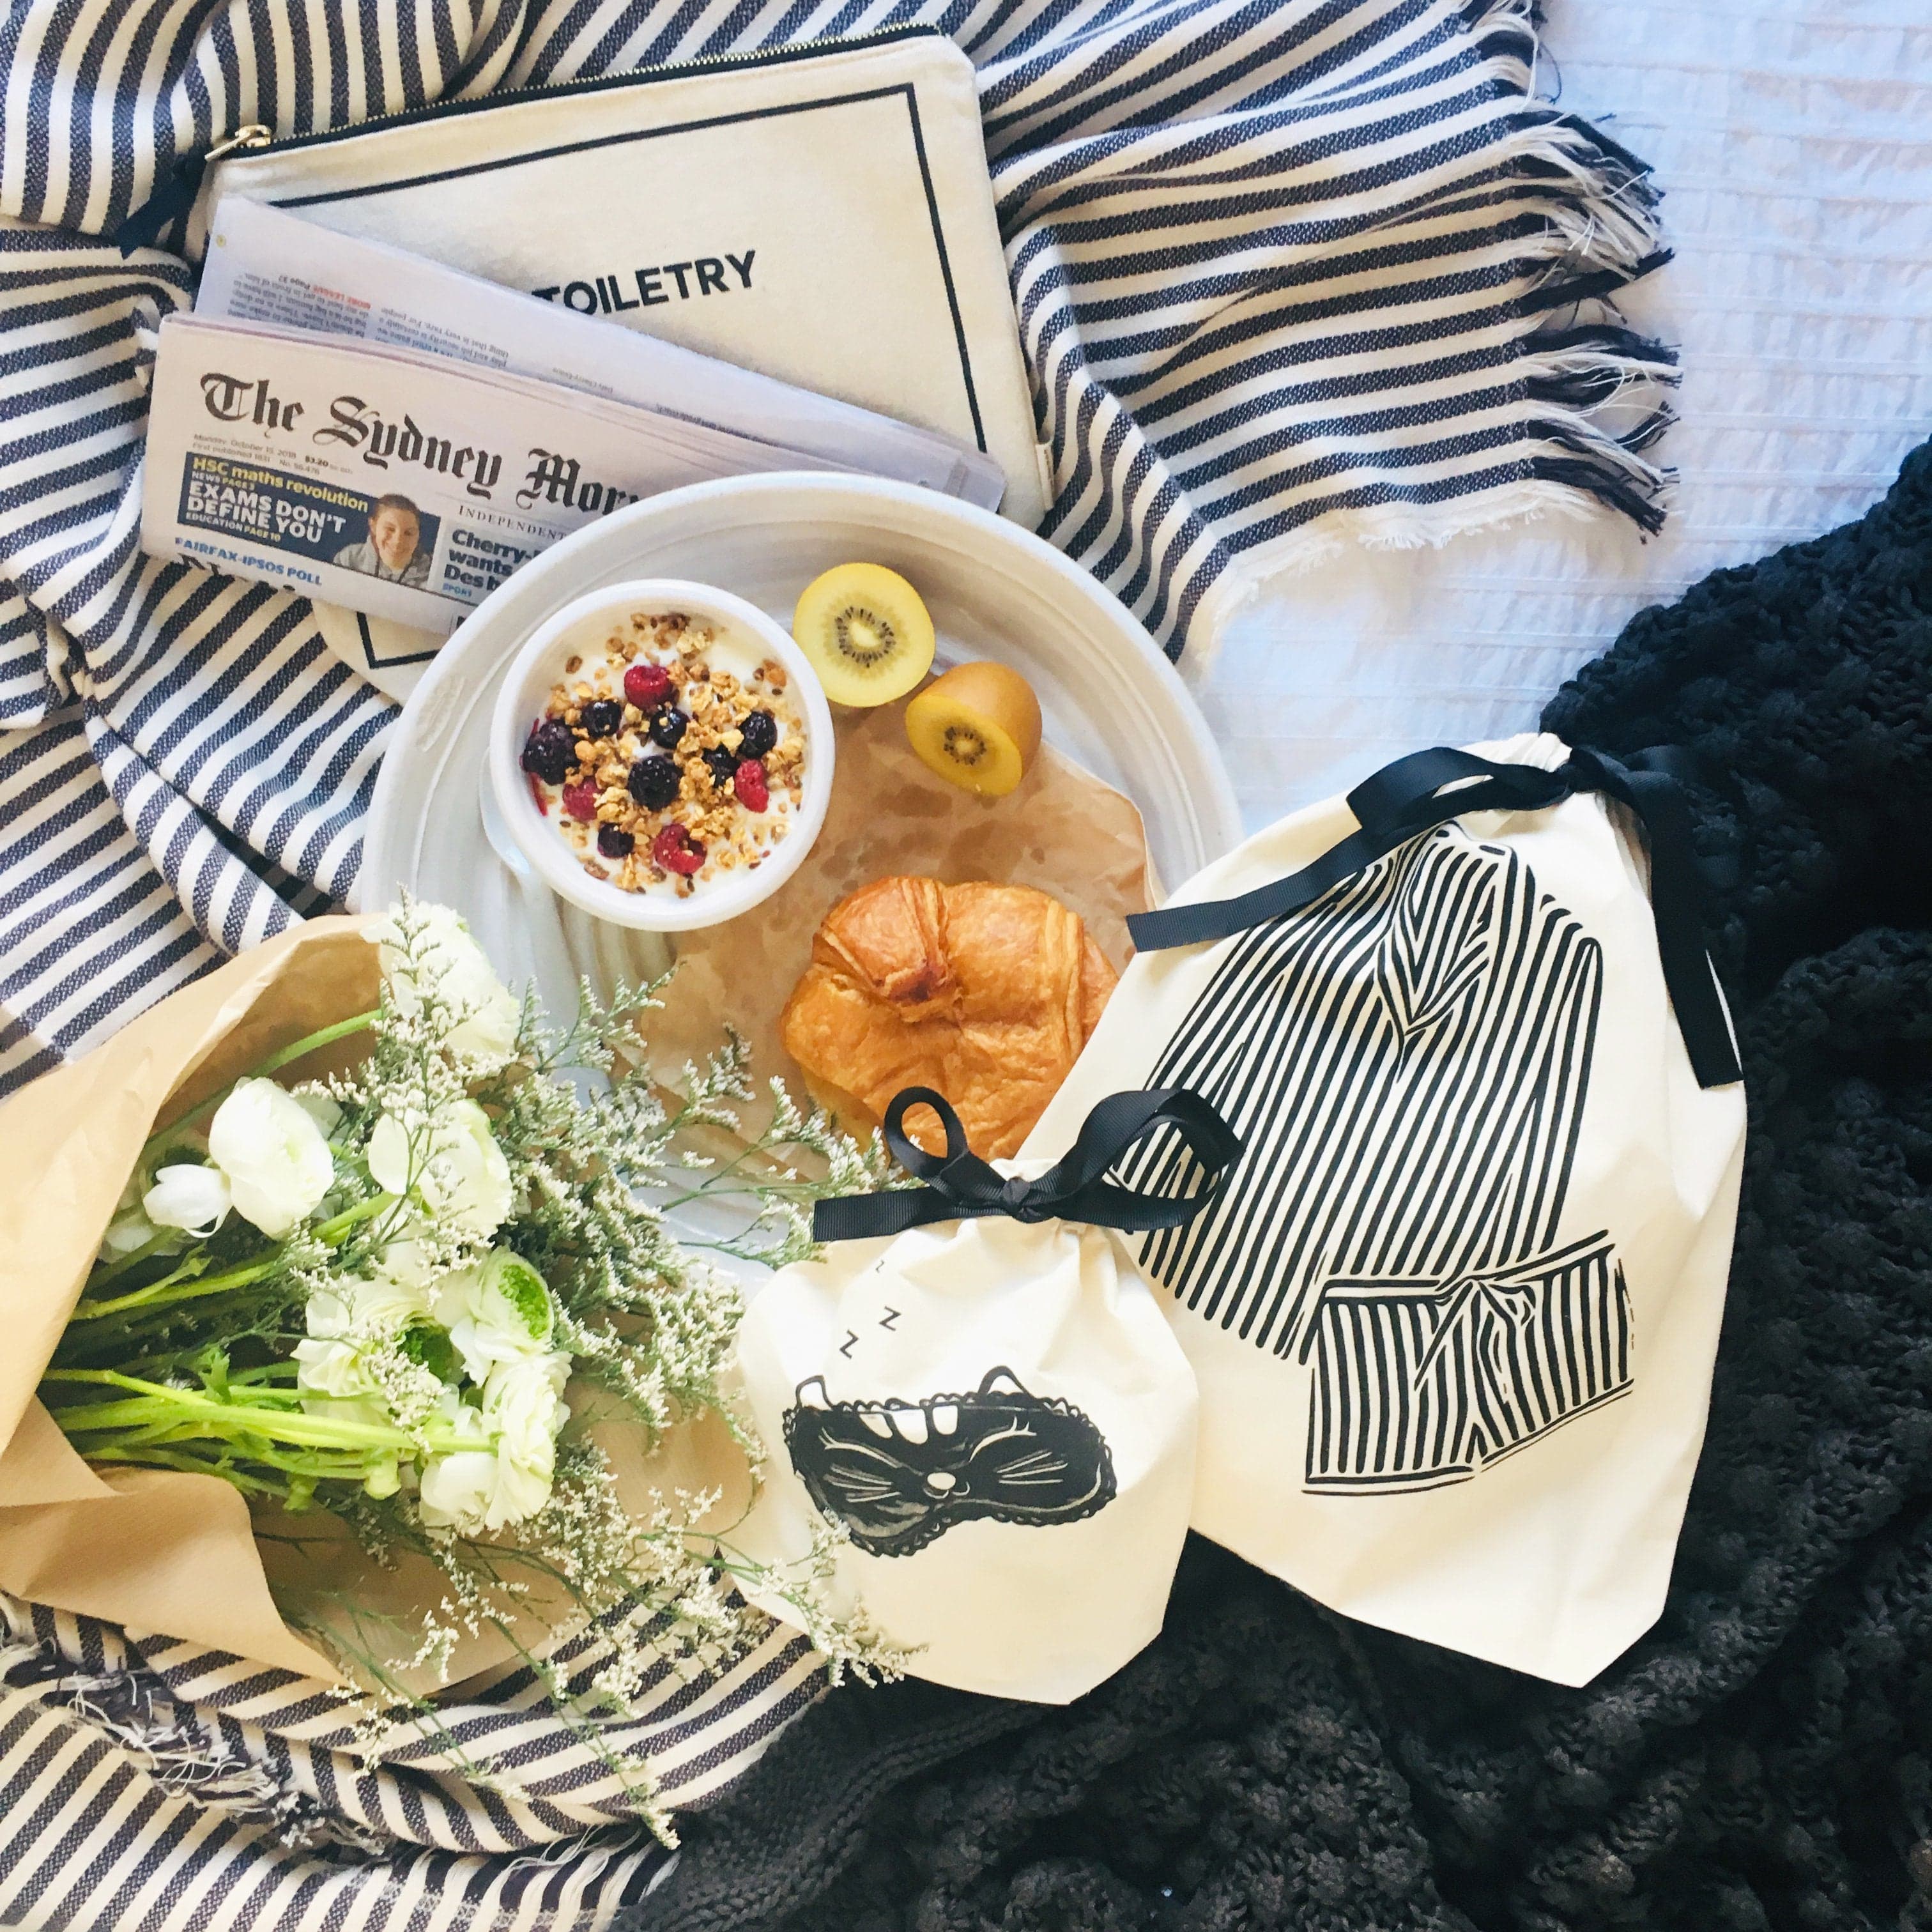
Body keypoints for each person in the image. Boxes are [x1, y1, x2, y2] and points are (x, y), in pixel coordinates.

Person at [334, 494, 432, 588]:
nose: (398, 541)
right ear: (373, 526)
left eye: (409, 533)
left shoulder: (431, 576)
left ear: (418, 535)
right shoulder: (349, 558)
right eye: (390, 529)